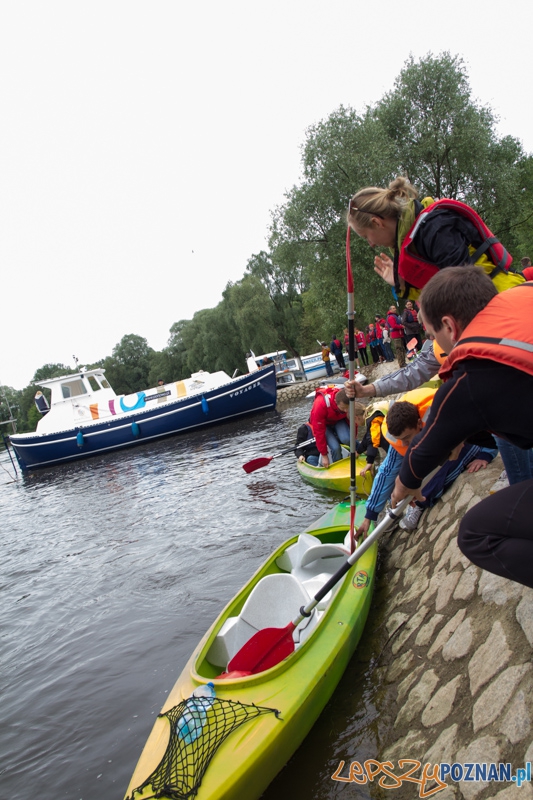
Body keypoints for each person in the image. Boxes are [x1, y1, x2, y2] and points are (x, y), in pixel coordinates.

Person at [390, 266, 533, 588]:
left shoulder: (471, 379)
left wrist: (403, 487)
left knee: (476, 532)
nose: (434, 343)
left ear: (449, 326)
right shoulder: (524, 293)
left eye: (431, 335)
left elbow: (419, 455)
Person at [347, 176, 524, 301]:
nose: (371, 244)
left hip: (506, 299)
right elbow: (441, 288)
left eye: (366, 236)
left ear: (377, 222)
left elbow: (468, 289)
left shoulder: (435, 228)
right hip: (491, 304)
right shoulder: (411, 240)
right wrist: (402, 284)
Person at [356, 387, 497, 538]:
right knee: (405, 477)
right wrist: (369, 515)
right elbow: (386, 472)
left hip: (466, 439)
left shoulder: (441, 415)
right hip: (433, 440)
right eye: (400, 440)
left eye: (407, 438)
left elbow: (489, 425)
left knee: (439, 475)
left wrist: (487, 454)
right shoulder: (397, 437)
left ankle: (420, 504)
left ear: (419, 424)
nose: (404, 445)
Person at [309, 386, 351, 467]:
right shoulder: (320, 405)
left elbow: (353, 422)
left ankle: (357, 451)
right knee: (335, 448)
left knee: (347, 439)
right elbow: (318, 432)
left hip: (338, 419)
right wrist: (324, 455)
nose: (346, 411)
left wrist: (354, 442)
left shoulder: (347, 401)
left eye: (347, 408)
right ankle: (338, 467)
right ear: (335, 401)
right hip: (325, 425)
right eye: (343, 408)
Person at [356, 400, 390, 477]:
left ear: (356, 418)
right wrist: (358, 452)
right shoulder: (370, 412)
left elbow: (373, 440)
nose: (356, 424)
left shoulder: (373, 421)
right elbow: (368, 436)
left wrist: (369, 463)